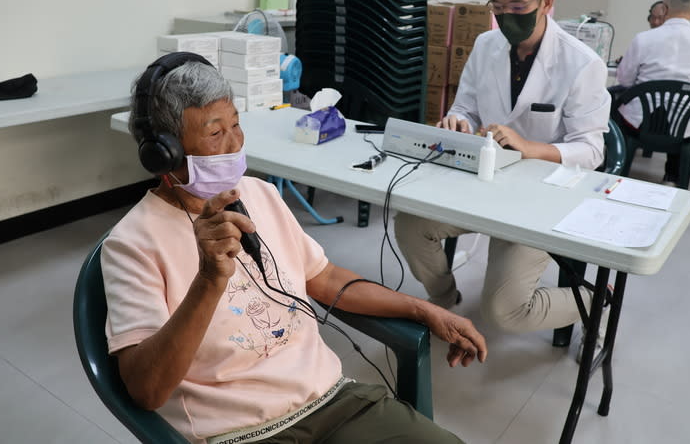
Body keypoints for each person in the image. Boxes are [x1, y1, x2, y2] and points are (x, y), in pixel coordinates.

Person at [101, 53, 488, 444]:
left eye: (236, 123)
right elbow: (146, 391)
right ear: (163, 153)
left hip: (333, 402)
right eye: (216, 133)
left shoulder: (260, 194)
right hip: (241, 432)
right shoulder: (132, 244)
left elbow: (326, 277)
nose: (235, 142)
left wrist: (423, 308)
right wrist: (208, 280)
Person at [395, 0, 610, 337]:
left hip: (542, 196)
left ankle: (598, 297)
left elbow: (592, 150)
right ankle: (444, 302)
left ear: (547, 2)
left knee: (504, 312)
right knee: (410, 225)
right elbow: (467, 105)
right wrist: (459, 120)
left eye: (517, 5)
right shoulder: (485, 45)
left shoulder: (582, 63)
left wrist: (529, 147)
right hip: (483, 182)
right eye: (498, 6)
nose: (507, 16)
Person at [615, 0, 690, 186]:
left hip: (639, 123)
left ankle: (616, 165)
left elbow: (624, 80)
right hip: (682, 127)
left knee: (615, 104)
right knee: (687, 117)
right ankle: (673, 177)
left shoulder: (643, 39)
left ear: (665, 9)